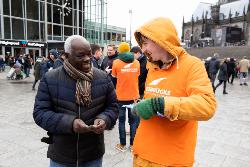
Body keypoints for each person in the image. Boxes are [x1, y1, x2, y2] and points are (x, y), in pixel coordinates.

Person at [131, 17, 217, 167]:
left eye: (145, 43)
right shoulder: (152, 67)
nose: (143, 50)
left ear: (160, 39)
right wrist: (142, 105)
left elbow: (207, 105)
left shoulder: (192, 65)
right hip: (141, 153)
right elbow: (153, 100)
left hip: (171, 159)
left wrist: (159, 104)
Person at [33, 35, 119, 167]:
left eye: (89, 54)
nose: (87, 59)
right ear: (66, 56)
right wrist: (70, 124)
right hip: (61, 156)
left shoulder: (102, 78)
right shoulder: (50, 79)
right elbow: (40, 113)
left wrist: (105, 119)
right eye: (80, 55)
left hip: (92, 155)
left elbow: (113, 107)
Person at [111, 42, 140, 152]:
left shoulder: (116, 62)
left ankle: (122, 144)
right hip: (134, 97)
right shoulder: (136, 62)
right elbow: (137, 76)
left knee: (122, 121)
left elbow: (113, 78)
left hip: (121, 97)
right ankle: (132, 145)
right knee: (133, 122)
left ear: (120, 50)